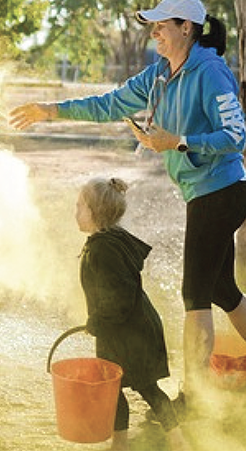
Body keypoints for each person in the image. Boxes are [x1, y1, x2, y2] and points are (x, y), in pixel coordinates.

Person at [9, 0, 246, 413]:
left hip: (222, 192)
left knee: (194, 294)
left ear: (188, 28)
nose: (155, 31)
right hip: (206, 194)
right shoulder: (159, 75)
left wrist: (177, 142)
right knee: (222, 290)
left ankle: (194, 398)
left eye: (163, 24)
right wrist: (51, 110)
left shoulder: (211, 71)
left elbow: (235, 137)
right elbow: (109, 103)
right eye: (154, 25)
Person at [75, 178, 190, 451]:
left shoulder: (104, 249)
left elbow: (120, 297)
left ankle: (177, 441)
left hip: (130, 333)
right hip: (122, 332)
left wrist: (97, 321)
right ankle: (123, 445)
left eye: (80, 206)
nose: (75, 211)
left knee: (145, 388)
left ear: (96, 212)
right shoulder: (105, 242)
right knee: (115, 390)